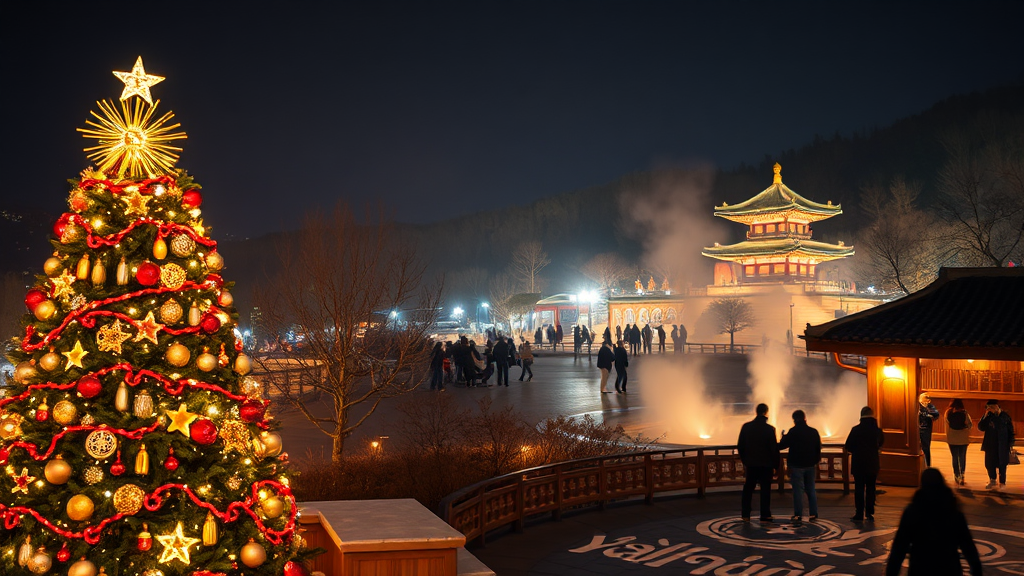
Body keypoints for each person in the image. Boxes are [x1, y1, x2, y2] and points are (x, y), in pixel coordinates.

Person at [885, 468, 982, 576]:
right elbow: (967, 545)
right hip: (949, 568)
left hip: (920, 568)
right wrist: (976, 568)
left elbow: (899, 547)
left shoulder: (913, 511)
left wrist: (891, 572)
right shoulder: (952, 510)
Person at [736, 403, 779, 522]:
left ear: (756, 412)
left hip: (751, 464)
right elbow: (773, 449)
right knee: (765, 490)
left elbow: (740, 446)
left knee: (748, 489)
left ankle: (745, 514)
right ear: (766, 413)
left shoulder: (746, 427)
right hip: (766, 465)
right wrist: (776, 466)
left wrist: (745, 461)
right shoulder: (770, 429)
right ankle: (765, 514)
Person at [778, 410, 821, 525]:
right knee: (811, 489)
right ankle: (813, 513)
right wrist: (815, 461)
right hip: (810, 465)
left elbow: (782, 446)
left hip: (796, 465)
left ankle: (798, 514)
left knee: (798, 491)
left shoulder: (793, 432)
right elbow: (818, 448)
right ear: (804, 418)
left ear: (794, 420)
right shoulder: (813, 432)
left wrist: (783, 438)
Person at [845, 406, 884, 522]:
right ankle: (870, 512)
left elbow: (848, 446)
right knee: (871, 488)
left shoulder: (855, 430)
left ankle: (859, 513)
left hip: (859, 464)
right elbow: (881, 443)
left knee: (859, 489)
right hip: (872, 464)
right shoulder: (877, 431)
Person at [979, 398, 1015, 490]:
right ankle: (992, 480)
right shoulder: (988, 416)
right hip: (990, 444)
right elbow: (981, 427)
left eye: (992, 407)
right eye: (988, 407)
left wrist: (1011, 443)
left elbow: (1009, 430)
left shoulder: (1004, 416)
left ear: (998, 407)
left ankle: (1002, 483)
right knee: (989, 463)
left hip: (1002, 444)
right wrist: (985, 416)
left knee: (1002, 464)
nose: (990, 409)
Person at [944, 399, 972, 486]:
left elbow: (946, 424)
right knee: (962, 457)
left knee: (955, 457)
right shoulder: (964, 412)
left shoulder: (947, 413)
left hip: (952, 439)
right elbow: (970, 424)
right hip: (963, 439)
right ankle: (962, 475)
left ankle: (957, 475)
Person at [918, 393, 939, 467]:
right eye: (926, 398)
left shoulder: (930, 406)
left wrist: (927, 410)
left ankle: (928, 465)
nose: (928, 400)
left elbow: (936, 414)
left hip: (926, 430)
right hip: (917, 429)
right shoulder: (917, 405)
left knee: (926, 448)